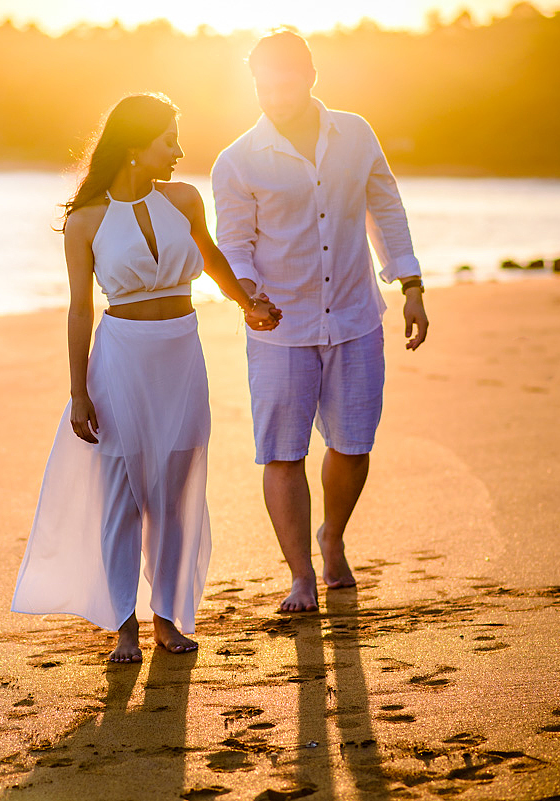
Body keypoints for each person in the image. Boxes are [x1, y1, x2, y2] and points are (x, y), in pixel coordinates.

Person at [11, 94, 283, 663]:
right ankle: (123, 626)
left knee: (174, 496)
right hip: (121, 360)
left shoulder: (184, 200)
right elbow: (79, 310)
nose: (179, 151)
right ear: (136, 145)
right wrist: (78, 391)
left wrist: (248, 304)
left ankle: (166, 617)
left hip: (181, 356)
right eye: (169, 140)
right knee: (122, 498)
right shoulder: (85, 221)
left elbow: (211, 258)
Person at [211, 30, 429, 613]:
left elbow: (386, 208)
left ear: (310, 76)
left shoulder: (356, 134)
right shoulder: (237, 160)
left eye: (285, 84)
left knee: (353, 445)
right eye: (263, 87)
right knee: (282, 453)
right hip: (279, 329)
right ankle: (301, 574)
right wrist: (249, 297)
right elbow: (234, 245)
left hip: (356, 317)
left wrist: (410, 284)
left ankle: (332, 535)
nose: (275, 97)